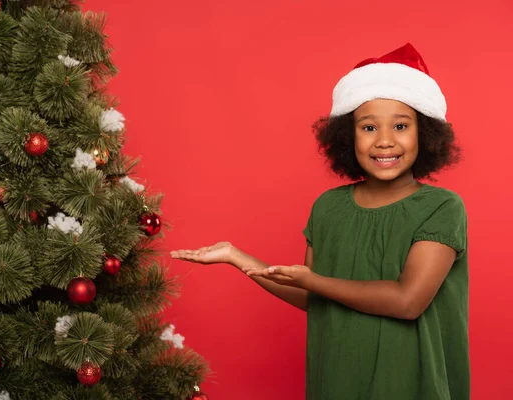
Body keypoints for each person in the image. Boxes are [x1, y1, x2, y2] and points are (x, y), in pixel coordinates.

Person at [170, 43, 469, 400]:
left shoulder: (442, 207)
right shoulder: (328, 207)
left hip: (410, 384)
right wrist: (238, 258)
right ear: (347, 136)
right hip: (338, 380)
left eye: (401, 125)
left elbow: (408, 301)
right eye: (369, 127)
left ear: (426, 134)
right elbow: (315, 296)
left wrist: (315, 281)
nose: (385, 141)